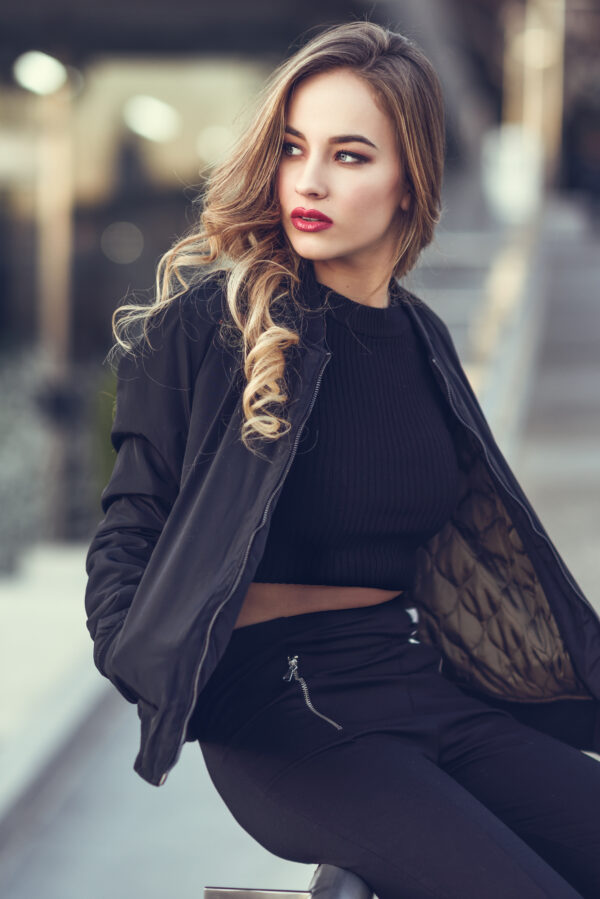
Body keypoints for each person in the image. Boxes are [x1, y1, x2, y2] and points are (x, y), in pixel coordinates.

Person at [84, 21, 600, 899]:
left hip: (412, 679)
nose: (310, 180)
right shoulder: (216, 325)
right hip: (283, 710)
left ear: (411, 183)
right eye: (293, 148)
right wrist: (154, 664)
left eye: (350, 155)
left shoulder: (424, 340)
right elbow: (130, 530)